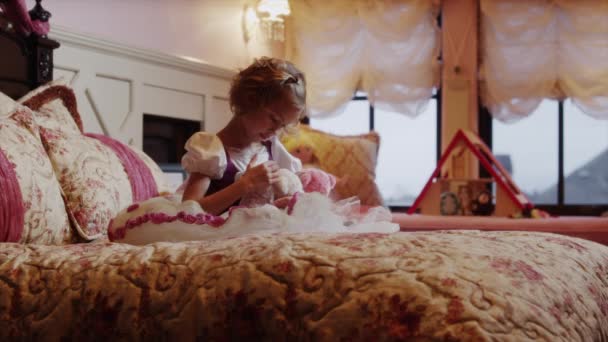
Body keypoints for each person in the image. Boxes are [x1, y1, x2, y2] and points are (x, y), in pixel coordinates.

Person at [180, 57, 306, 215]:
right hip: (221, 232)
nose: (275, 130)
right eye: (273, 119)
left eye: (282, 125)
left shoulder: (271, 147)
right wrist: (245, 184)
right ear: (248, 101)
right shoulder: (211, 151)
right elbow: (189, 211)